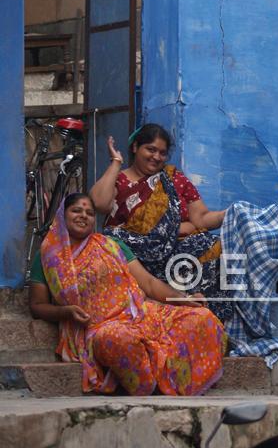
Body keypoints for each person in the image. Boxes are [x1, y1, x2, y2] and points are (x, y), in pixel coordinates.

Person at [29, 193, 225, 396]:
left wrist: (184, 300)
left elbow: (149, 284)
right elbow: (37, 305)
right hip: (101, 328)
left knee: (202, 318)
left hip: (141, 314)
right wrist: (66, 313)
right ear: (62, 215)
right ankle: (150, 385)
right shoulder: (48, 257)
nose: (83, 216)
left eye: (89, 213)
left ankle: (171, 382)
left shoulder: (111, 245)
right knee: (118, 339)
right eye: (76, 210)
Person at [89, 124, 233, 321]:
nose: (156, 157)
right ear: (135, 148)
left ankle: (215, 321)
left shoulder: (174, 179)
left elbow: (201, 218)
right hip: (138, 261)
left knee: (218, 248)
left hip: (178, 253)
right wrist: (115, 162)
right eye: (151, 149)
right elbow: (99, 203)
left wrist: (232, 213)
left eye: (162, 153)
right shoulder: (120, 181)